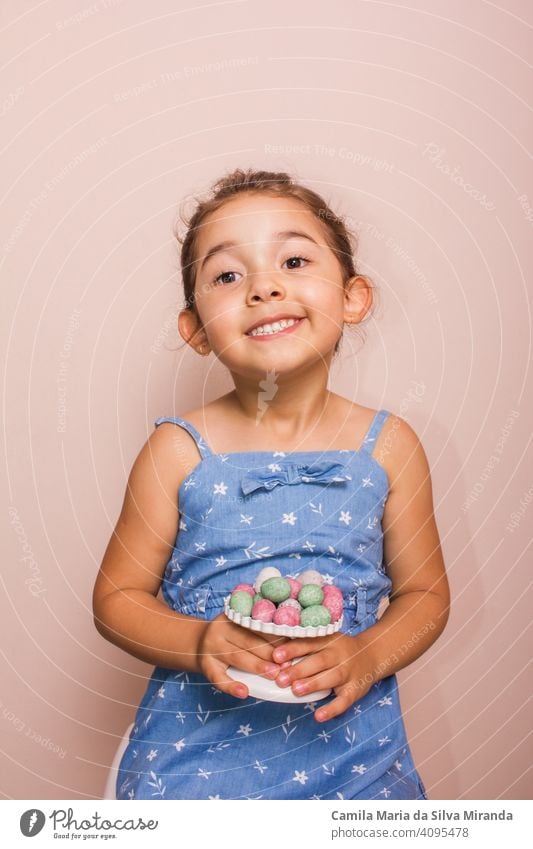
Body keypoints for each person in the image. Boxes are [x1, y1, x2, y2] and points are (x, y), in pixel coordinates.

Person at [92, 168, 450, 800]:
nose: (264, 287)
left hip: (355, 765)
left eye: (293, 259)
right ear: (196, 330)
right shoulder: (177, 451)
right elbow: (117, 598)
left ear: (353, 297)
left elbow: (426, 594)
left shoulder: (390, 445)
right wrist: (199, 639)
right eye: (228, 276)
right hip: (192, 771)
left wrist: (367, 655)